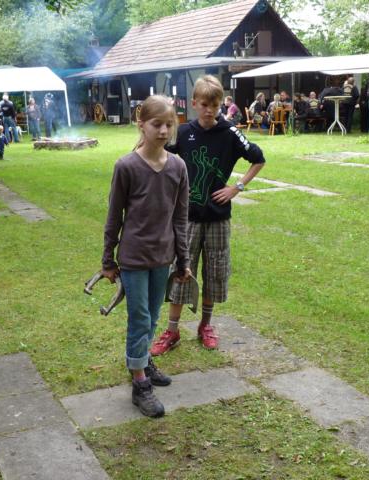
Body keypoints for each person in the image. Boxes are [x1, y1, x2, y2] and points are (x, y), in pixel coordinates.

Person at [150, 75, 266, 356]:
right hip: (187, 217)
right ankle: (173, 330)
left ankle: (206, 325)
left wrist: (236, 187)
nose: (209, 110)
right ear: (194, 103)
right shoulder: (184, 132)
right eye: (204, 105)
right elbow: (159, 154)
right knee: (181, 270)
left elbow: (258, 158)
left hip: (217, 217)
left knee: (214, 271)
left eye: (214, 105)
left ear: (220, 104)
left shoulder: (230, 133)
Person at [101, 95, 192, 418]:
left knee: (152, 316)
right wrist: (108, 260)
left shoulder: (178, 166)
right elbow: (114, 216)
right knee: (139, 318)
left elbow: (180, 217)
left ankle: (142, 360)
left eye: (169, 124)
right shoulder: (126, 166)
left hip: (163, 257)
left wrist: (183, 260)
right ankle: (140, 383)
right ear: (141, 124)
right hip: (134, 258)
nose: (164, 131)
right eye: (157, 124)